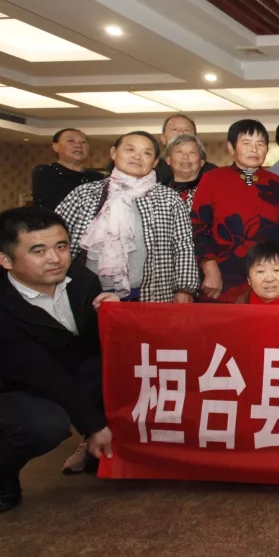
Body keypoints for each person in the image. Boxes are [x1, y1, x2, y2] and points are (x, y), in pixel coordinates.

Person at [0, 207, 118, 511]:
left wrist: (112, 315)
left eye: (61, 246)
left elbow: (93, 352)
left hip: (57, 376)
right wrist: (94, 425)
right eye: (38, 251)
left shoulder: (81, 281)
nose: (55, 258)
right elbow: (43, 374)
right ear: (6, 260)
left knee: (116, 368)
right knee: (44, 425)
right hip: (12, 389)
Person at [55, 131, 199, 303]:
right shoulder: (85, 194)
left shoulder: (169, 199)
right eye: (130, 150)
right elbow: (56, 240)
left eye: (146, 153)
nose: (137, 157)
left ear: (154, 162)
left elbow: (183, 245)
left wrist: (184, 289)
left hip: (152, 296)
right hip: (87, 296)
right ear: (113, 152)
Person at [192, 120, 279, 302]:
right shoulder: (212, 179)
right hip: (222, 276)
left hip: (267, 278)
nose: (254, 149)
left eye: (260, 144)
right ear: (231, 147)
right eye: (246, 143)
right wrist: (209, 267)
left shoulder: (278, 183)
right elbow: (198, 227)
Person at [31, 128, 103, 212]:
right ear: (55, 147)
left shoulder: (99, 178)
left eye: (83, 142)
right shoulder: (46, 172)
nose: (78, 145)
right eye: (71, 141)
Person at [154, 114, 217, 184]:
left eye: (187, 130)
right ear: (163, 138)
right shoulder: (153, 170)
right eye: (174, 130)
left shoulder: (211, 172)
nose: (181, 133)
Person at [162, 134, 207, 209]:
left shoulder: (213, 189)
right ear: (168, 160)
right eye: (179, 152)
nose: (185, 157)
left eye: (192, 152)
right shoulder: (159, 192)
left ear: (202, 162)